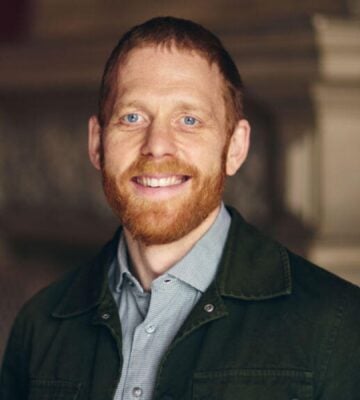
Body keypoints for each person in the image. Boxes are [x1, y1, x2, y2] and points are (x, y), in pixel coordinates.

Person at [1, 16, 359, 400]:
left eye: (189, 120)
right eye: (132, 117)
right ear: (97, 143)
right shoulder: (40, 324)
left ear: (235, 148)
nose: (157, 145)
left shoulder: (337, 325)